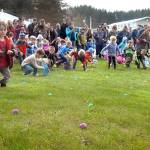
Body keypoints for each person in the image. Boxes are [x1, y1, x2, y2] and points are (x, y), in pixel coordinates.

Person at [0, 21, 15, 87]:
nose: (3, 31)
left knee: (8, 76)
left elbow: (14, 49)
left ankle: (2, 83)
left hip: (5, 63)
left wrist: (11, 51)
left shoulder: (8, 40)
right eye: (1, 30)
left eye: (4, 30)